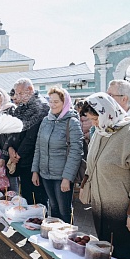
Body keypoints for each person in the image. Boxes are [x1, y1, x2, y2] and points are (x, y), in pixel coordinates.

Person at [80, 92, 130, 259]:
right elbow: (92, 162)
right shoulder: (102, 132)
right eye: (91, 119)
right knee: (109, 257)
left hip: (125, 214)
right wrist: (85, 185)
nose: (94, 123)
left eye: (96, 119)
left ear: (108, 112)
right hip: (103, 211)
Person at [31, 87, 83, 223]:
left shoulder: (72, 122)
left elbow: (76, 152)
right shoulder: (46, 121)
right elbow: (38, 147)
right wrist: (35, 171)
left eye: (56, 102)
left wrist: (67, 178)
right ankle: (55, 239)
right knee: (52, 207)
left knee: (64, 210)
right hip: (45, 173)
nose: (52, 105)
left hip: (62, 175)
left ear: (64, 102)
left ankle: (67, 239)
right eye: (51, 101)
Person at [5, 78, 49, 205]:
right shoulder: (22, 107)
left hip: (33, 160)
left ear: (30, 90)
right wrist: (10, 148)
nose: (17, 97)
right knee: (26, 197)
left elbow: (32, 136)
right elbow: (12, 129)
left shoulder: (41, 105)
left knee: (38, 200)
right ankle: (28, 223)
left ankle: (38, 223)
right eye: (16, 93)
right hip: (21, 159)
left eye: (20, 93)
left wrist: (17, 155)